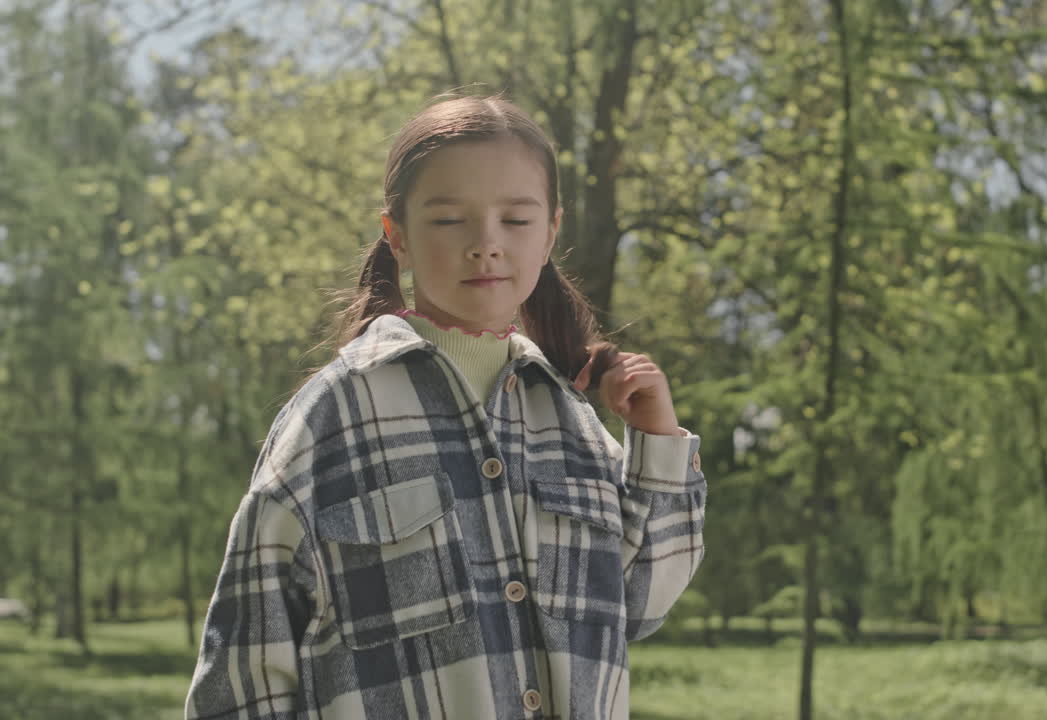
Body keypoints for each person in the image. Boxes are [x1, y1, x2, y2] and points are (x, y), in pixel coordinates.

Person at [184, 94, 707, 720]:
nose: (486, 245)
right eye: (449, 220)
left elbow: (640, 604)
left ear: (550, 234)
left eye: (516, 221)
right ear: (397, 236)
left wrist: (657, 440)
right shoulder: (334, 416)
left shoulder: (572, 423)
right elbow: (243, 675)